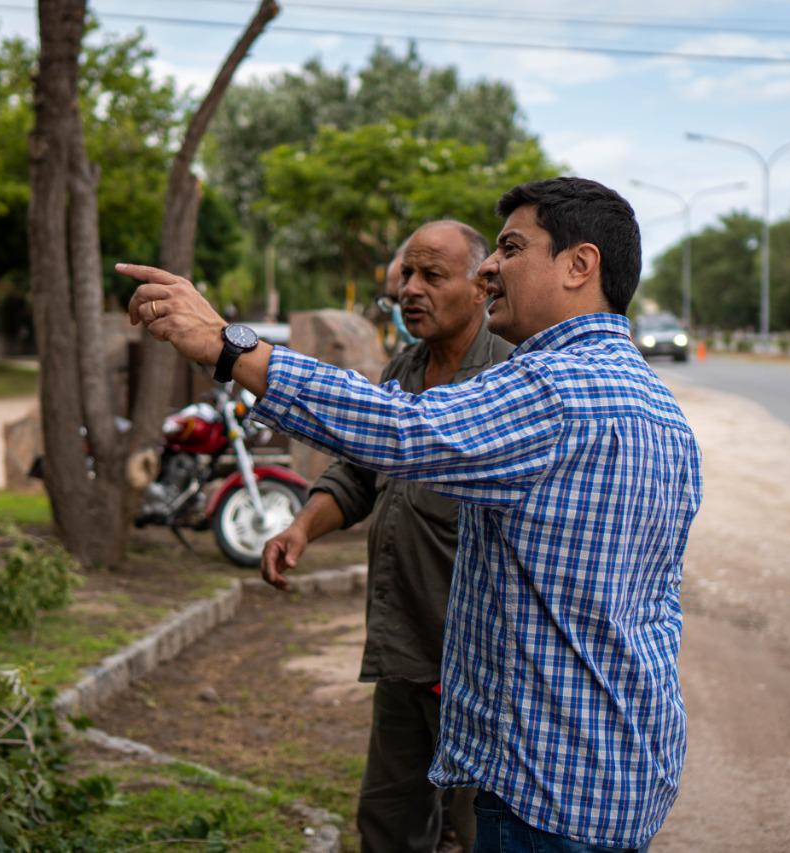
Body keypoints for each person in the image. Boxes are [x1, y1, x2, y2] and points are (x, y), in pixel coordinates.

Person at [119, 176, 703, 853]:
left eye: (510, 248)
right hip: (615, 770)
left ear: (580, 266)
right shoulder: (658, 407)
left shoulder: (555, 389)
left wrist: (229, 345)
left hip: (549, 790)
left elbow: (400, 432)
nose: (489, 269)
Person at [262, 220, 512, 853]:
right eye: (406, 274)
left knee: (485, 830)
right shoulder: (405, 367)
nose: (410, 289)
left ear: (482, 286)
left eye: (432, 275)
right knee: (389, 822)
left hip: (480, 671)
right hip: (406, 650)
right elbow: (358, 468)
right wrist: (302, 527)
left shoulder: (512, 378)